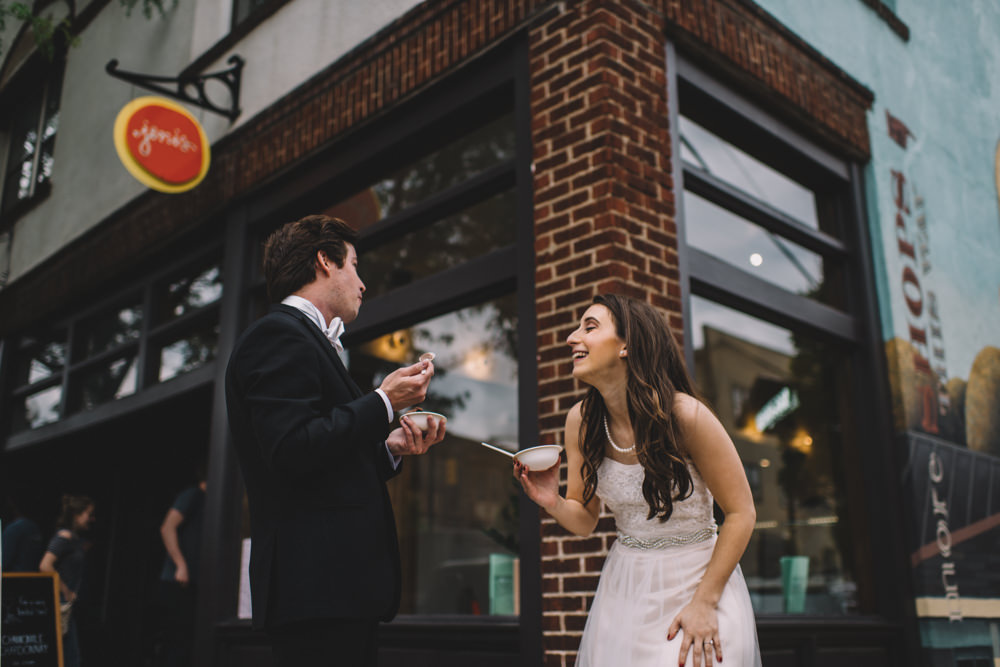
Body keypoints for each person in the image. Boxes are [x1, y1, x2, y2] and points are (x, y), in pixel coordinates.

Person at [225, 214, 446, 667]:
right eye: (355, 267)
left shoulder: (311, 343)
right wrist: (384, 400)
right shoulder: (277, 335)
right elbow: (290, 451)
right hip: (315, 592)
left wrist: (389, 448)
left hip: (337, 592)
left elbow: (324, 459)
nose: (363, 284)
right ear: (325, 260)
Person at [516, 294, 761, 667]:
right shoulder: (580, 421)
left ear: (627, 345)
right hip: (626, 589)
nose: (571, 337)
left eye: (589, 327)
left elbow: (742, 513)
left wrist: (705, 602)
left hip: (701, 582)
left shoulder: (686, 415)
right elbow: (584, 521)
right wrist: (551, 499)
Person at [155, 466, 206, 667]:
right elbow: (167, 527)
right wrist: (181, 565)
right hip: (176, 582)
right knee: (178, 642)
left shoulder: (210, 499)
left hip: (192, 584)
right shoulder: (193, 494)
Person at [39, 494, 96, 667]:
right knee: (69, 658)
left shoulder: (74, 539)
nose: (92, 519)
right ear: (76, 515)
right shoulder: (64, 536)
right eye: (88, 514)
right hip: (61, 605)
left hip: (68, 606)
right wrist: (65, 590)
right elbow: (45, 565)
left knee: (69, 656)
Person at [1, 486, 43, 572]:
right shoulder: (34, 527)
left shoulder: (14, 529)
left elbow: (3, 562)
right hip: (33, 580)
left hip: (15, 581)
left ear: (11, 503)